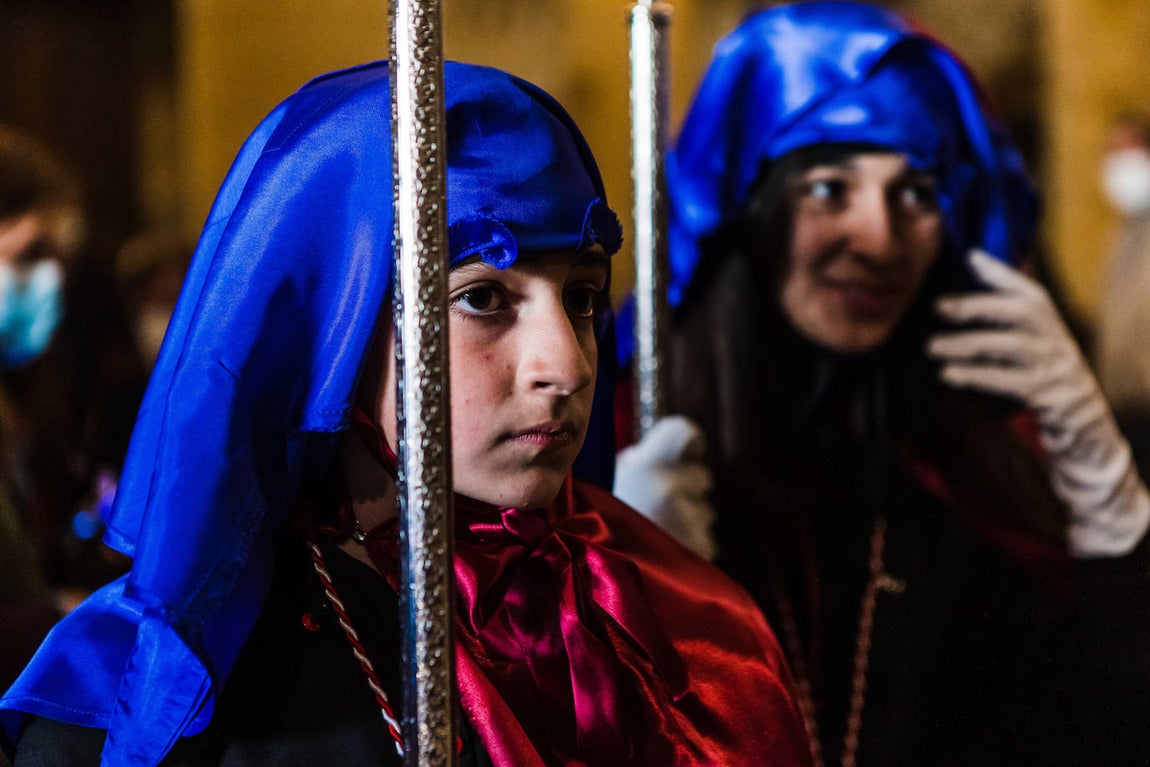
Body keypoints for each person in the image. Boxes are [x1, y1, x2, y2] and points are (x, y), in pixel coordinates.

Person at [0, 61, 814, 766]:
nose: (565, 364)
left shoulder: (682, 628)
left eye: (582, 296)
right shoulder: (163, 703)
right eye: (484, 298)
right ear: (335, 331)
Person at [614, 3, 1150, 765]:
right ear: (747, 208)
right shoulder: (617, 451)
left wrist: (1110, 506)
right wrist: (621, 606)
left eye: (917, 193)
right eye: (830, 188)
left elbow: (1098, 728)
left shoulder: (967, 483)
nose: (879, 240)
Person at [1096, 113, 1150, 480]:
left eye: (1129, 151)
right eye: (1113, 151)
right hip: (1125, 413)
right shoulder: (1127, 233)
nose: (1118, 162)